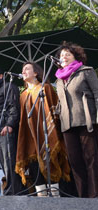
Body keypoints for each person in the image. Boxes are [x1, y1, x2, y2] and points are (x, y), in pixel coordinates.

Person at [15, 62, 71, 196]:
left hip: (47, 135)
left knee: (51, 163)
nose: (23, 71)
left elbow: (54, 111)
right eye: (22, 70)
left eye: (27, 69)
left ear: (36, 73)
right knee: (35, 168)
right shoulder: (22, 95)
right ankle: (41, 198)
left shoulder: (45, 88)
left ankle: (55, 198)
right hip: (30, 138)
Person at [55, 42, 98, 198]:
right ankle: (82, 198)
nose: (63, 57)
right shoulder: (59, 79)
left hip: (87, 121)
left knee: (91, 159)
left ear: (76, 56)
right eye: (61, 55)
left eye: (67, 54)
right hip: (67, 124)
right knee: (75, 162)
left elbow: (97, 94)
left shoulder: (86, 71)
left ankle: (94, 197)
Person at [0, 66, 24, 195]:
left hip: (7, 131)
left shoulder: (9, 87)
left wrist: (9, 125)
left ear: (1, 76)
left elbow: (14, 107)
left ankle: (13, 192)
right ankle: (11, 191)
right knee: (5, 165)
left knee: (10, 163)